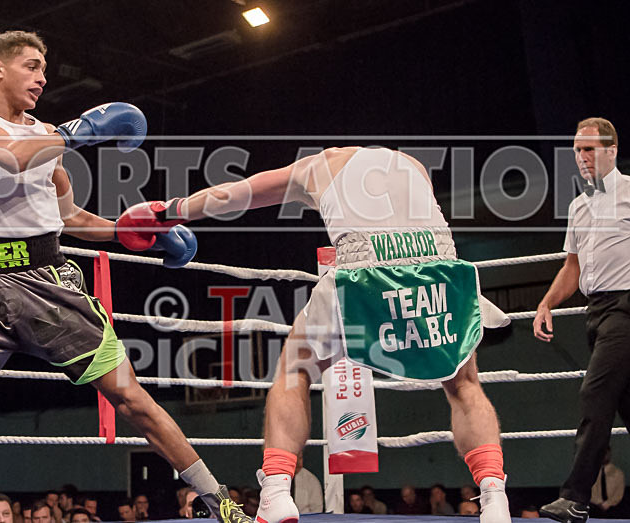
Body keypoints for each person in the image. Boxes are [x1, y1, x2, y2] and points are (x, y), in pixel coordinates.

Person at [0, 30, 248, 523]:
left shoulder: (48, 139)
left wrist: (135, 230)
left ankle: (219, 501)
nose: (41, 78)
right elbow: (12, 158)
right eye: (32, 66)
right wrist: (83, 128)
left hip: (49, 283)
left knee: (132, 399)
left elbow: (73, 218)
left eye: (43, 69)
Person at [118, 146, 512, 523]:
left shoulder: (318, 166)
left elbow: (232, 196)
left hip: (370, 266)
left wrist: (164, 212)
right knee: (463, 383)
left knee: (296, 367)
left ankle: (275, 492)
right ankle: (495, 495)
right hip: (442, 270)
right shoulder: (411, 164)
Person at [534, 117, 630, 523]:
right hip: (598, 314)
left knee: (594, 393)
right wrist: (545, 303)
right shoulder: (578, 204)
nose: (581, 156)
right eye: (576, 149)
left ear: (611, 150)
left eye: (589, 148)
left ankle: (575, 498)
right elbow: (572, 268)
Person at [589, 446, 625, 516]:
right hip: (594, 507)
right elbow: (589, 489)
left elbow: (619, 493)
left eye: (606, 453)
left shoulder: (617, 473)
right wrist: (599, 502)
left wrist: (608, 503)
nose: (604, 456)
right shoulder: (591, 472)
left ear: (609, 454)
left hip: (613, 508)